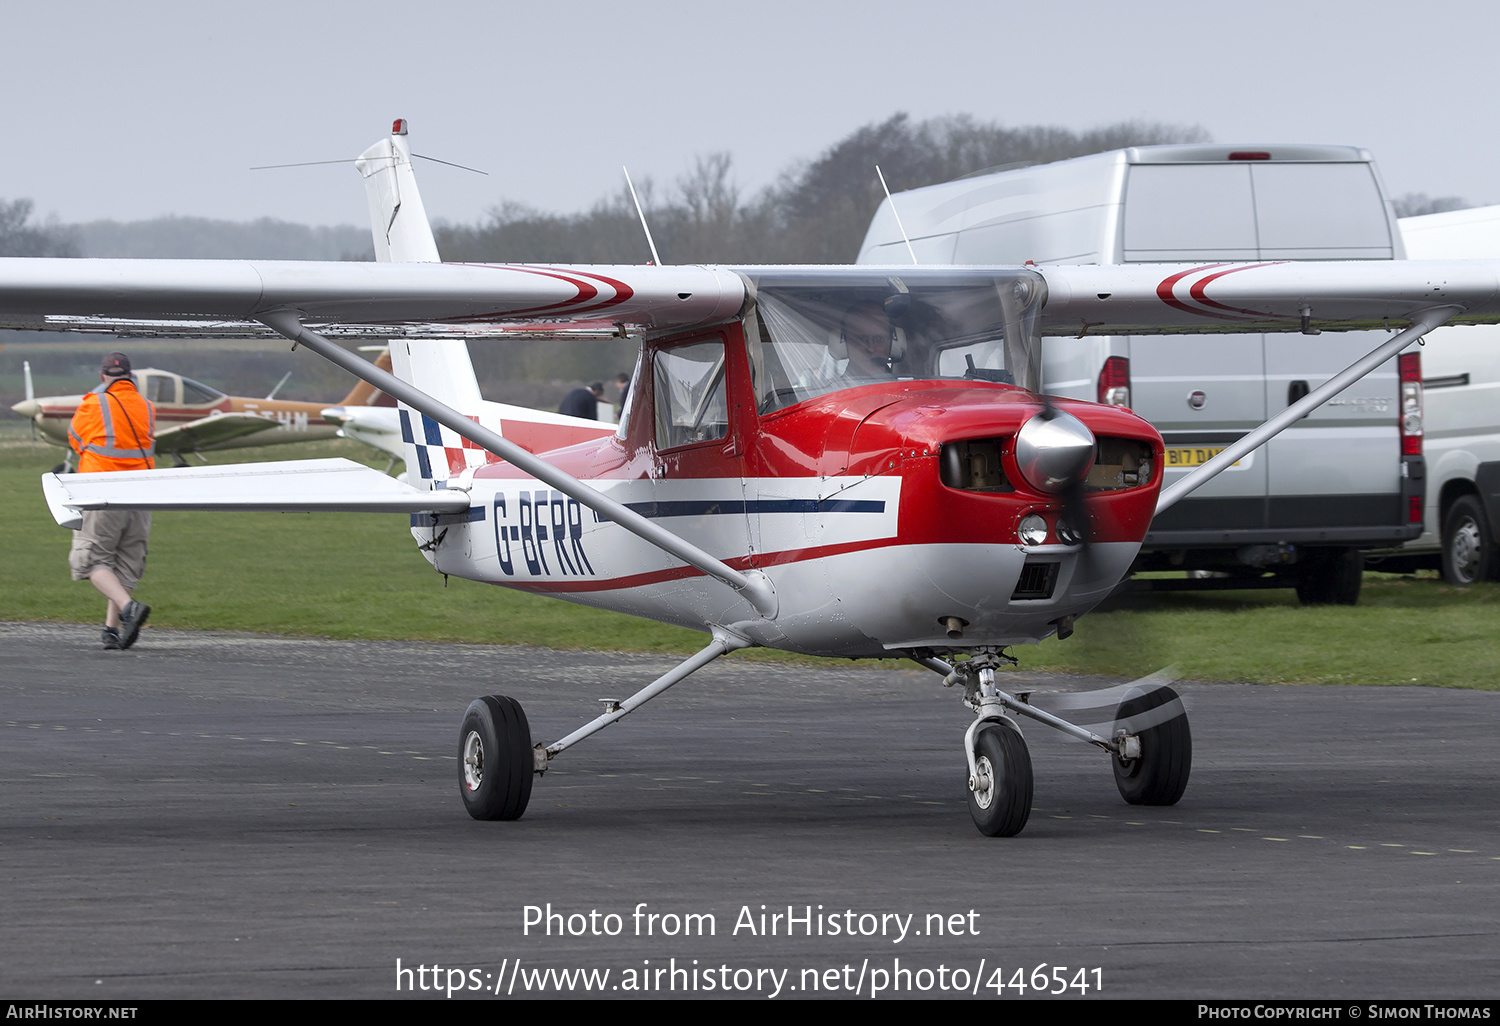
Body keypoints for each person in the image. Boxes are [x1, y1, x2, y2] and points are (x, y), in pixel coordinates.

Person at [67, 352, 155, 650]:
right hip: (142, 494)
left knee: (92, 559)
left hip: (102, 492)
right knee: (126, 561)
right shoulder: (147, 405)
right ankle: (112, 629)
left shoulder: (93, 402)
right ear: (130, 376)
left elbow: (75, 439)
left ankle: (128, 608)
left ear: (103, 375)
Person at [838, 300, 898, 380]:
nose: (871, 348)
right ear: (845, 343)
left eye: (879, 339)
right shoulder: (827, 391)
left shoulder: (911, 390)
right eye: (861, 340)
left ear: (892, 343)